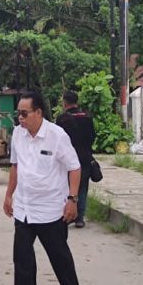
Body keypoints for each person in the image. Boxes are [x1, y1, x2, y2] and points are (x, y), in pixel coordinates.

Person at [2, 91, 84, 285]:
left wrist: (72, 200)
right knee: (22, 256)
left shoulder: (57, 135)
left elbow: (74, 168)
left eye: (24, 113)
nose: (20, 118)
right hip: (25, 207)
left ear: (38, 112)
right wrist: (9, 195)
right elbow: (15, 166)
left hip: (51, 208)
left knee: (59, 254)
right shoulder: (18, 134)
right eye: (18, 113)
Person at [55, 91, 96, 228]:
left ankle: (67, 215)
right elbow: (92, 137)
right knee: (83, 186)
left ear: (64, 103)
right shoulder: (87, 117)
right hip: (84, 156)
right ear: (77, 102)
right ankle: (80, 218)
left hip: (66, 158)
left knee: (67, 186)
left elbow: (57, 139)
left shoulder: (62, 119)